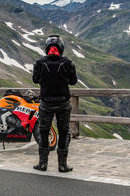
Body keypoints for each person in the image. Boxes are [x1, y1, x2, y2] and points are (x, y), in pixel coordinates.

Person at [32, 35, 77, 172]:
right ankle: (62, 165)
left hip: (46, 103)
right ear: (61, 48)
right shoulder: (68, 63)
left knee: (44, 132)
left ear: (47, 48)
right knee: (64, 132)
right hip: (63, 103)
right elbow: (73, 81)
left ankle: (43, 164)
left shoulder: (39, 63)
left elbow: (35, 80)